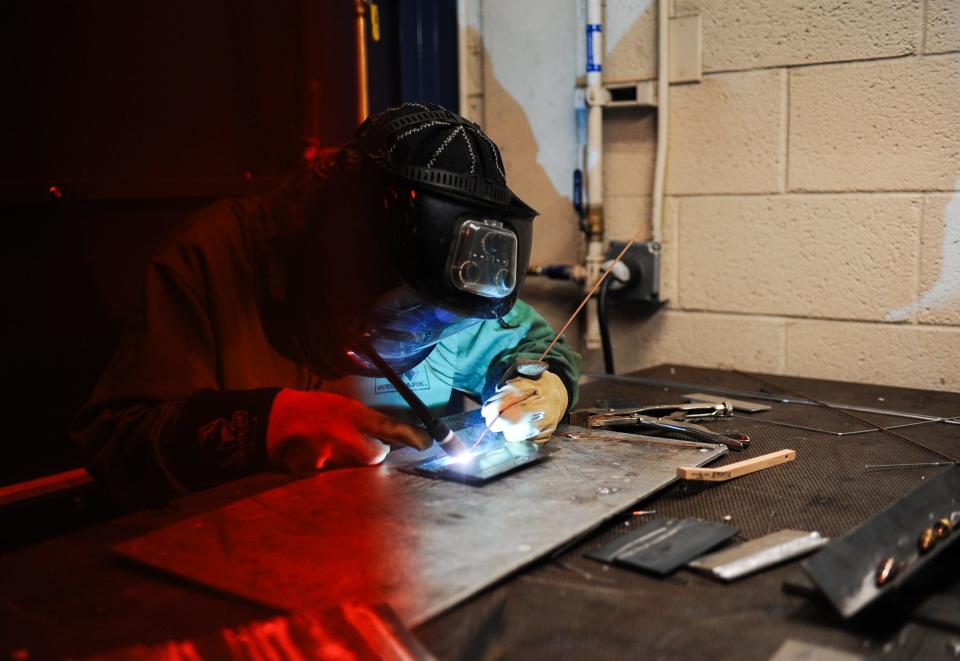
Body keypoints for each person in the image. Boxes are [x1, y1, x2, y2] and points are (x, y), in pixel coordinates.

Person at [72, 102, 581, 508]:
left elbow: (528, 343)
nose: (427, 332)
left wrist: (544, 381)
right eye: (407, 314)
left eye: (445, 323)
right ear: (348, 256)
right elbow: (116, 441)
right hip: (237, 556)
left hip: (395, 544)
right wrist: (263, 424)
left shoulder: (449, 291)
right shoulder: (213, 258)